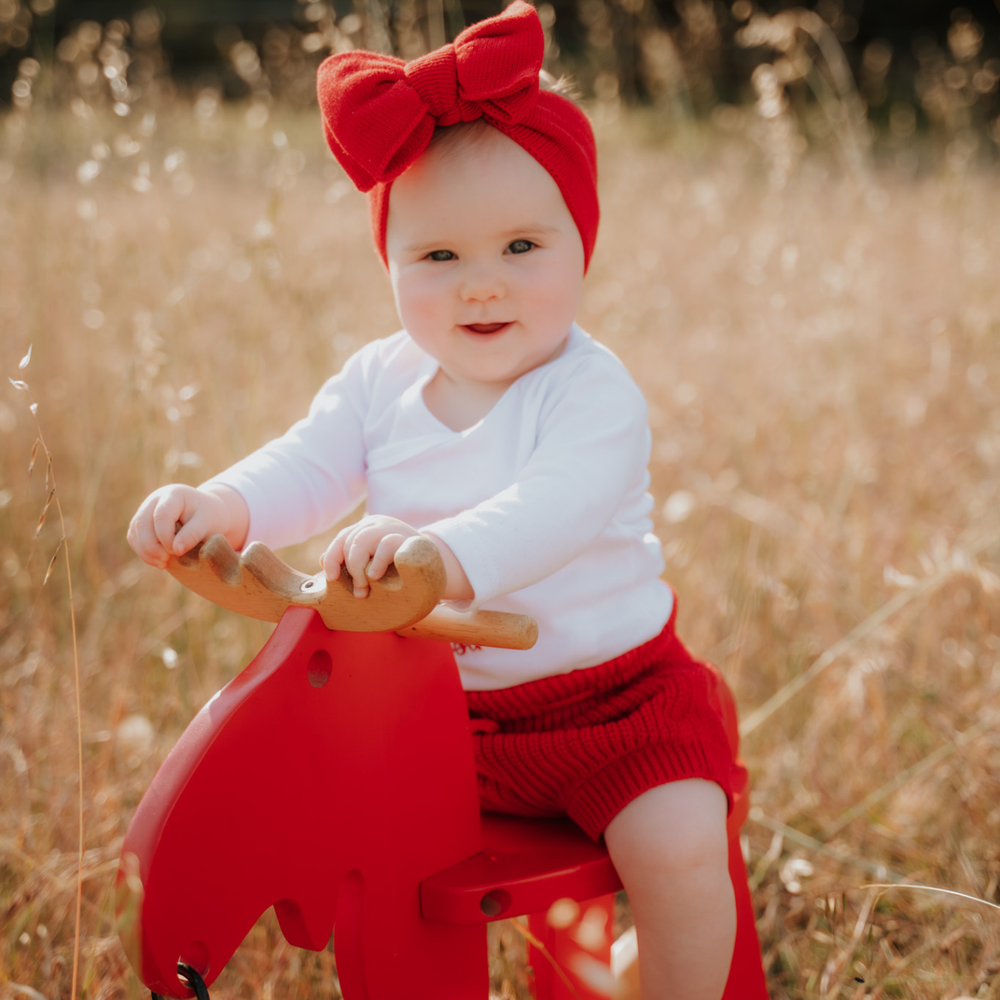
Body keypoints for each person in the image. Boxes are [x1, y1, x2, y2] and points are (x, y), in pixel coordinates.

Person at [127, 4, 739, 997]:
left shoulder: (589, 391)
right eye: (438, 258)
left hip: (616, 706)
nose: (481, 288)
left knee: (674, 846)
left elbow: (555, 507)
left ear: (580, 245)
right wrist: (223, 504)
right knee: (348, 834)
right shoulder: (380, 380)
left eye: (521, 248)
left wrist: (435, 557)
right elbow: (307, 463)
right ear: (392, 267)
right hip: (433, 723)